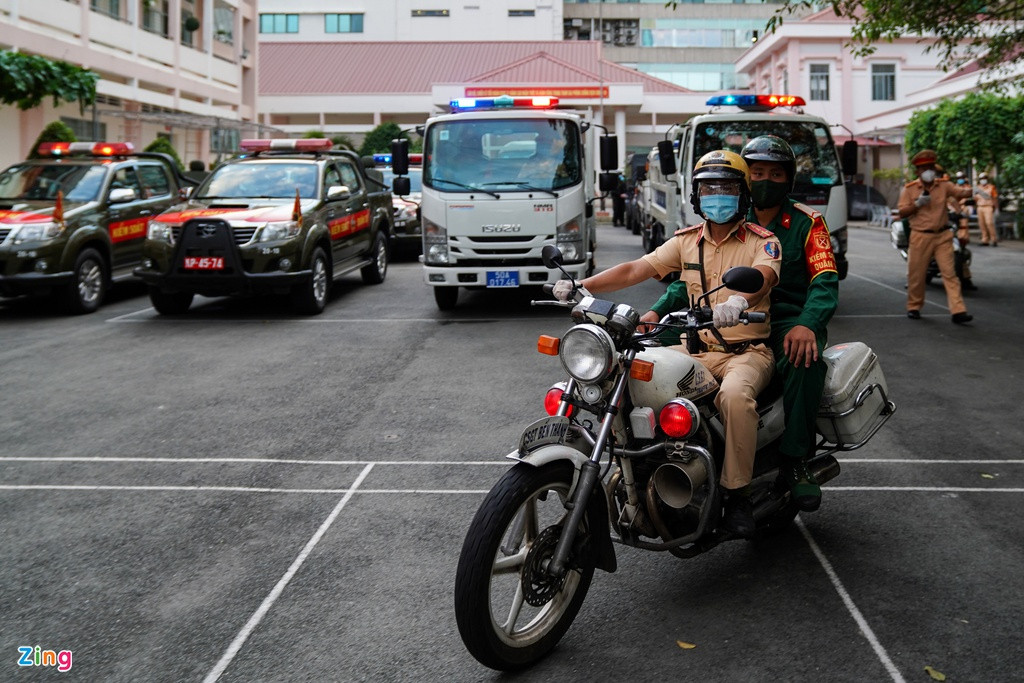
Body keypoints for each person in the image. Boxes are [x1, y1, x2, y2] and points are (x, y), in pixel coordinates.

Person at [553, 150, 782, 537]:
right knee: (632, 370)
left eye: (726, 187)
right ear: (696, 195)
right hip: (694, 349)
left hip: (746, 352)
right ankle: (644, 468)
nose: (717, 195)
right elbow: (636, 269)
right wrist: (582, 285)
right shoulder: (687, 242)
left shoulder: (764, 239)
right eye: (709, 188)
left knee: (735, 399)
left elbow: (763, 276)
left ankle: (738, 493)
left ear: (743, 194)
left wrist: (739, 301)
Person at [645, 135, 839, 512]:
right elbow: (689, 280)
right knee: (649, 347)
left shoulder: (806, 223)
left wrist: (809, 324)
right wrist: (654, 314)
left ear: (789, 179)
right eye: (757, 172)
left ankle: (796, 460)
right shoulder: (729, 215)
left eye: (775, 173)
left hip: (787, 317)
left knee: (804, 360)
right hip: (719, 313)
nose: (765, 179)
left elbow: (825, 281)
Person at [897, 149, 973, 325]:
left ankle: (958, 310)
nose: (929, 170)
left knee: (950, 274)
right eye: (924, 168)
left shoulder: (944, 185)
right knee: (917, 274)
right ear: (918, 171)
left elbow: (961, 193)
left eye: (931, 167)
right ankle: (914, 306)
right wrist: (916, 205)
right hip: (920, 236)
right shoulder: (909, 189)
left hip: (942, 236)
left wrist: (972, 190)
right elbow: (902, 211)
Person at [974, 172, 998, 246]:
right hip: (980, 207)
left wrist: (996, 208)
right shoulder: (977, 188)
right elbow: (975, 199)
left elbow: (994, 198)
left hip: (988, 207)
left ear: (987, 179)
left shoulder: (991, 187)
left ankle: (993, 239)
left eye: (984, 178)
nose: (983, 180)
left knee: (989, 223)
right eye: (982, 179)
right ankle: (985, 240)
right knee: (982, 224)